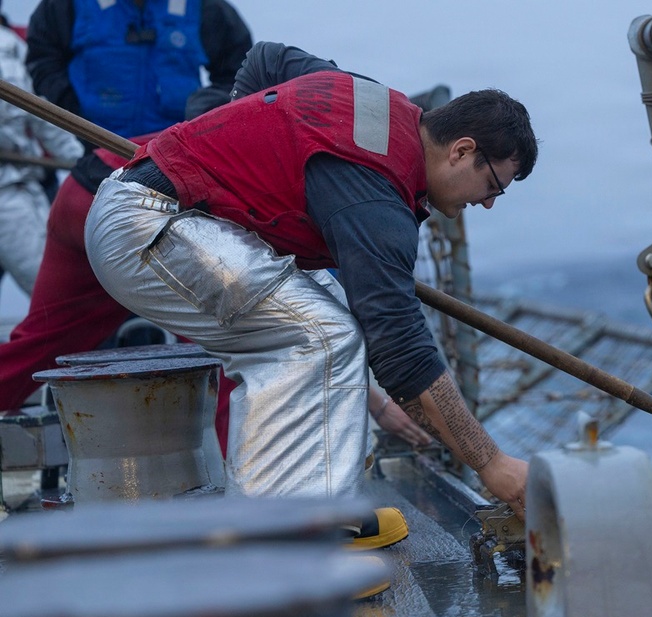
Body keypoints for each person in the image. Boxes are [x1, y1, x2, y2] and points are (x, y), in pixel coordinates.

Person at [84, 41, 537, 517]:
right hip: (147, 227)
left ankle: (311, 507)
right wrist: (492, 464)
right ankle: (285, 533)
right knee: (325, 337)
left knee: (331, 303)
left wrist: (239, 151)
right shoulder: (376, 203)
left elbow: (267, 59)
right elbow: (401, 351)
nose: (488, 203)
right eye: (494, 187)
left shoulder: (374, 101)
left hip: (164, 213)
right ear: (462, 151)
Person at [25, 0, 251, 144]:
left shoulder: (205, 8)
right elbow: (42, 59)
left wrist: (206, 116)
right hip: (91, 153)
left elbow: (240, 75)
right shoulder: (66, 6)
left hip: (177, 159)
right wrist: (73, 111)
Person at [0, 11, 82, 301]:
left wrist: (81, 164)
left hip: (11, 191)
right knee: (53, 296)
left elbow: (37, 112)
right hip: (11, 192)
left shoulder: (8, 47)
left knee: (51, 295)